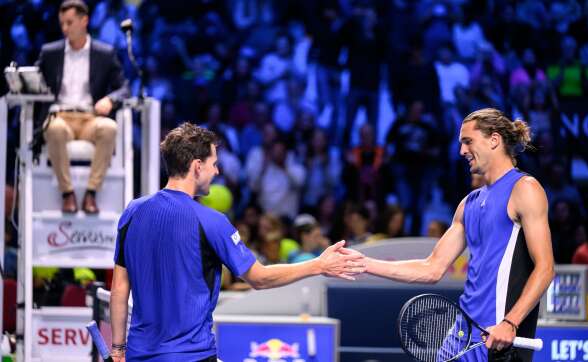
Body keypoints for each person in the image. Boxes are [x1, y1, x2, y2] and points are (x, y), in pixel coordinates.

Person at [109, 123, 364, 361]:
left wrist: (118, 348)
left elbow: (119, 287)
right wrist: (318, 265)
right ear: (197, 166)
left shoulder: (132, 212)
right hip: (191, 355)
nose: (217, 171)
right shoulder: (211, 221)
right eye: (214, 164)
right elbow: (259, 278)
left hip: (138, 354)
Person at [351, 109, 555, 361]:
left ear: (494, 140)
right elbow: (431, 268)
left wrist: (510, 323)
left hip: (498, 340)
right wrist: (363, 263)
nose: (462, 151)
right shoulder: (467, 205)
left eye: (468, 141)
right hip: (460, 335)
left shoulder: (525, 189)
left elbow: (545, 268)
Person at [36, 0, 130, 213]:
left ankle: (91, 192)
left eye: (69, 22)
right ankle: (67, 193)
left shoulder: (104, 53)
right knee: (54, 128)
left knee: (109, 128)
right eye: (62, 23)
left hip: (91, 117)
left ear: (84, 20)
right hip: (61, 116)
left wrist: (110, 99)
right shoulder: (50, 52)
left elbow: (124, 87)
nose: (65, 28)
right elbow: (36, 80)